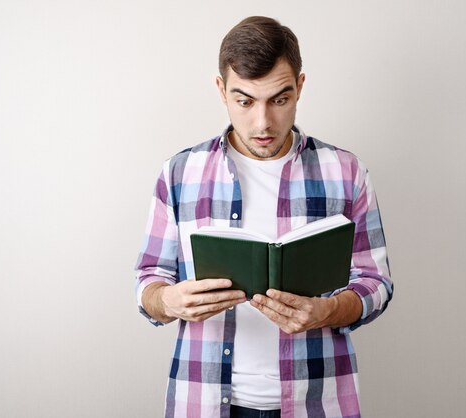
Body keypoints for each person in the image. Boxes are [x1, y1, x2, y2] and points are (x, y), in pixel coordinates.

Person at [135, 16, 393, 418]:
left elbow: (375, 283)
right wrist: (168, 300)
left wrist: (327, 311)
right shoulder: (179, 173)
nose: (262, 123)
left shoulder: (345, 172)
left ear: (300, 87)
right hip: (203, 401)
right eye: (245, 101)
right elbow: (148, 282)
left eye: (279, 99)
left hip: (316, 402)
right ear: (221, 90)